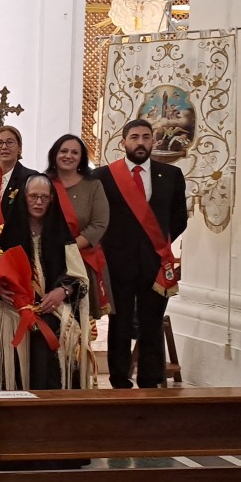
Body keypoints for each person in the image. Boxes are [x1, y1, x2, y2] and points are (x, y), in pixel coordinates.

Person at [95, 120, 187, 389]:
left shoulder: (170, 175)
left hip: (155, 262)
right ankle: (119, 380)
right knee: (119, 324)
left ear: (153, 142)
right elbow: (101, 218)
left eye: (146, 137)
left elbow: (179, 217)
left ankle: (150, 380)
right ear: (123, 142)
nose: (140, 142)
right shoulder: (104, 176)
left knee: (152, 323)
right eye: (134, 137)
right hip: (118, 262)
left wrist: (156, 245)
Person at [0, 175, 88, 390]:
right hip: (14, 310)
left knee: (49, 338)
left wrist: (63, 290)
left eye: (44, 197)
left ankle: (50, 410)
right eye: (34, 196)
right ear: (24, 198)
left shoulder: (62, 233)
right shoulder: (6, 233)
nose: (39, 202)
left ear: (52, 199)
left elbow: (79, 277)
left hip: (52, 309)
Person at [47, 134, 112, 331]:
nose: (69, 156)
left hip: (82, 261)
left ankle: (80, 362)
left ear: (82, 157)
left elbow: (99, 223)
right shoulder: (43, 182)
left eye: (75, 152)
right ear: (55, 155)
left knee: (80, 326)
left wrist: (70, 248)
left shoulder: (93, 185)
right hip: (49, 260)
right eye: (64, 151)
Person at [0, 125, 35, 234]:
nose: (4, 147)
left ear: (19, 148)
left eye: (10, 142)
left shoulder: (30, 178)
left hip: (14, 241)